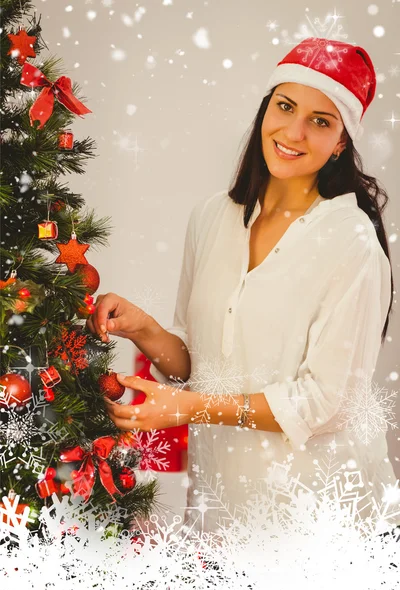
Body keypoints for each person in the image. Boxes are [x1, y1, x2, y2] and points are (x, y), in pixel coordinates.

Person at [86, 37, 399, 536]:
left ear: (341, 141)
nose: (293, 131)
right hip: (223, 511)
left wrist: (190, 408)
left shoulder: (352, 243)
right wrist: (146, 330)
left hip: (318, 522)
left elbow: (326, 402)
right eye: (285, 106)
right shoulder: (212, 218)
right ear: (265, 109)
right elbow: (200, 365)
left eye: (321, 120)